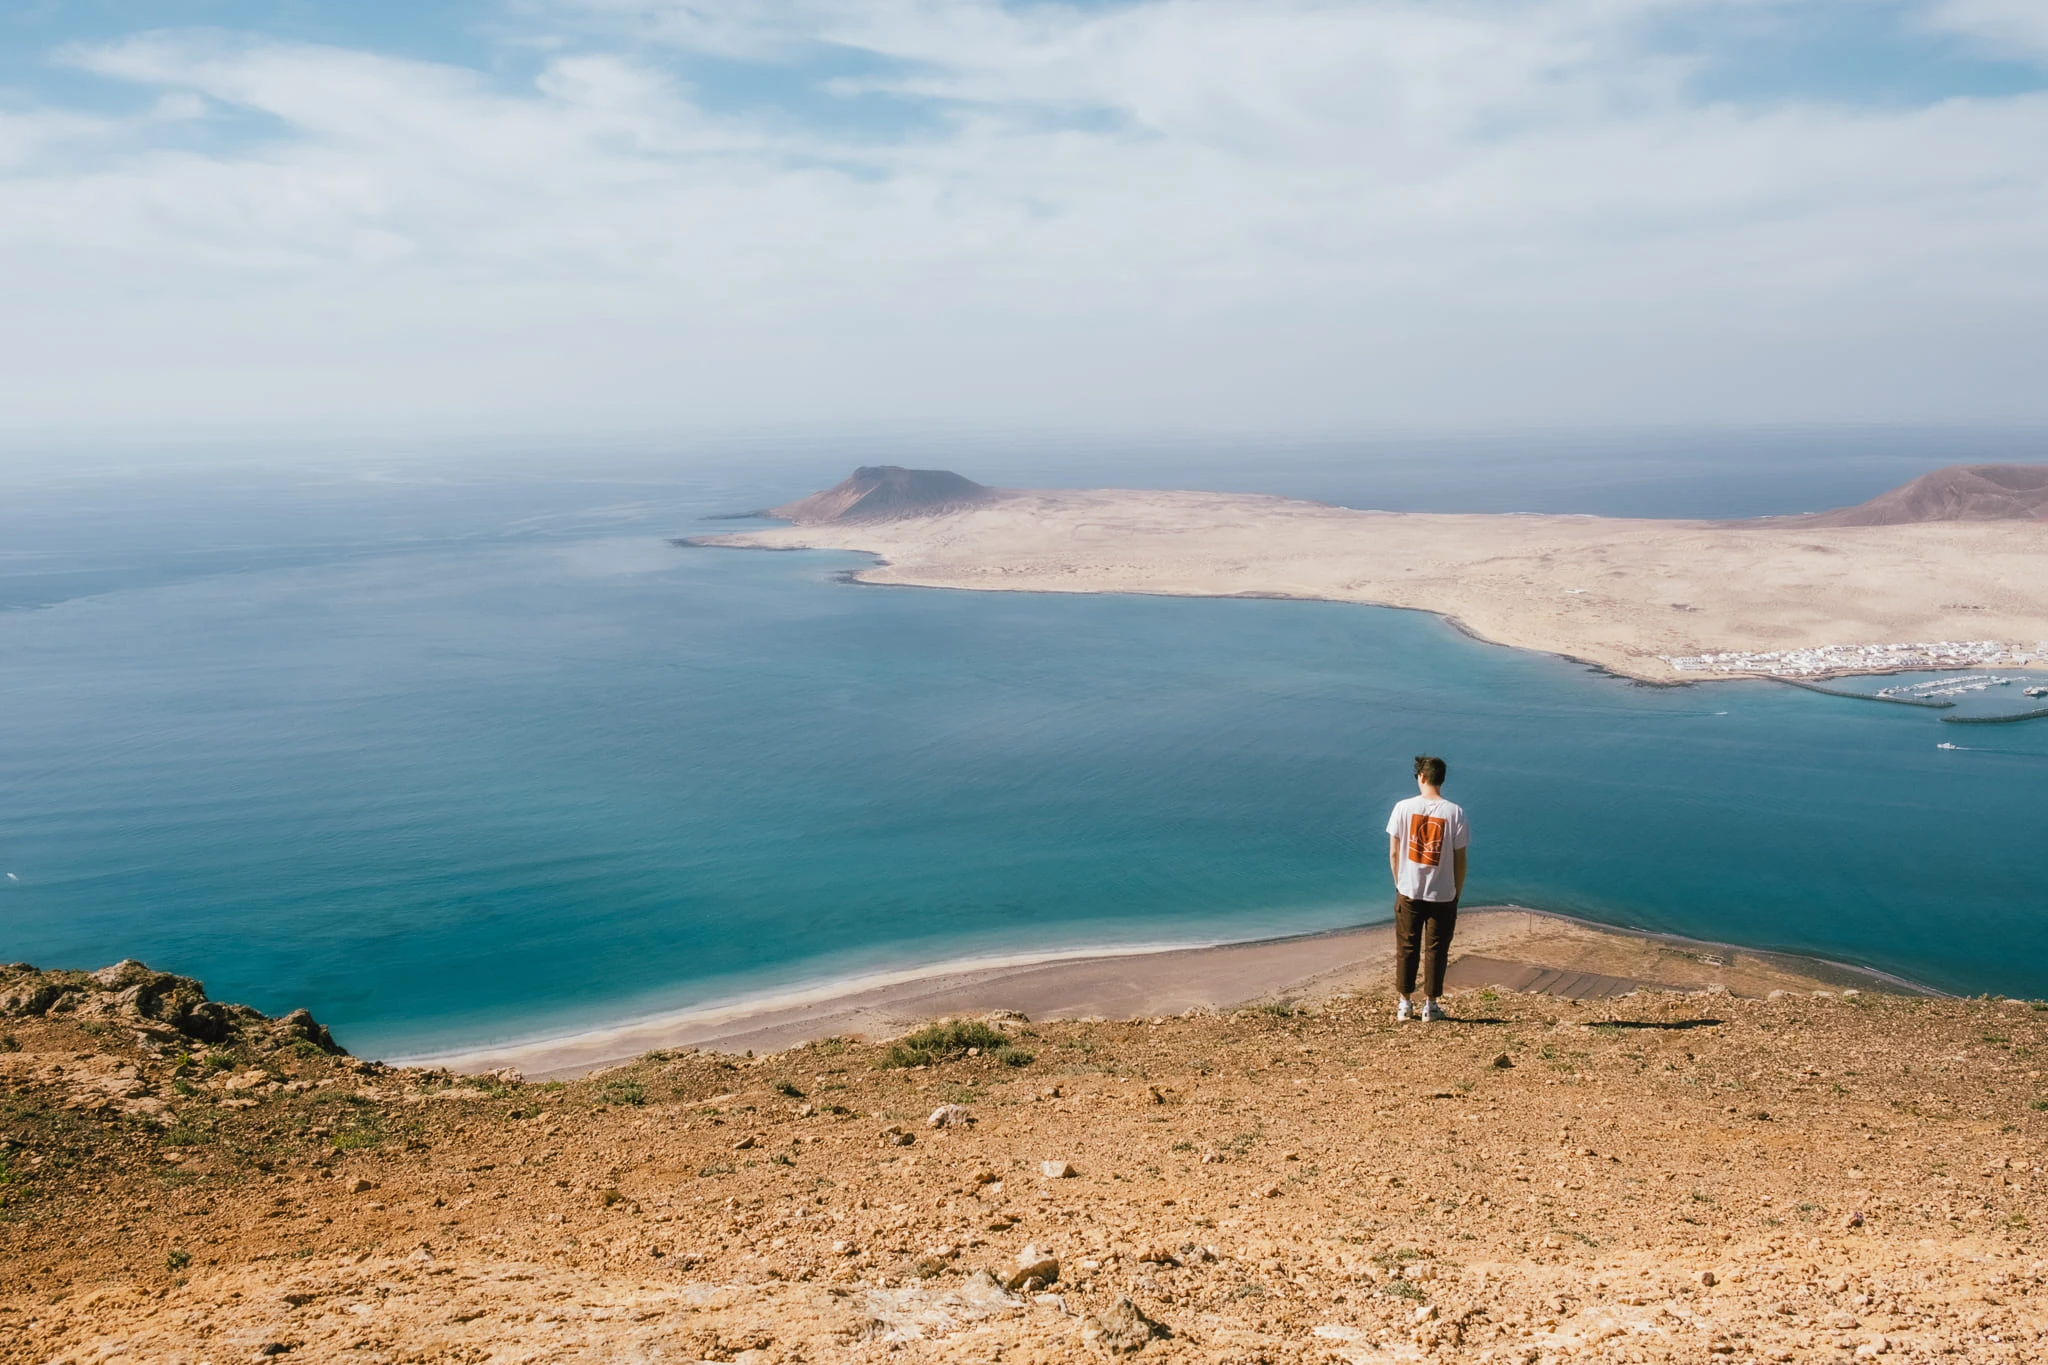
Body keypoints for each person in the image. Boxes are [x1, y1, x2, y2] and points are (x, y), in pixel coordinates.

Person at [1386, 754, 1469, 1022]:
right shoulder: (1455, 813)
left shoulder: (1402, 808)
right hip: (1442, 894)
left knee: (1407, 947)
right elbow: (1460, 859)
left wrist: (1399, 883)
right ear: (1441, 779)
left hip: (1409, 890)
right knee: (1436, 950)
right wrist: (1456, 890)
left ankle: (1405, 1003)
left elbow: (1394, 853)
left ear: (1421, 777)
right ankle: (1431, 1006)